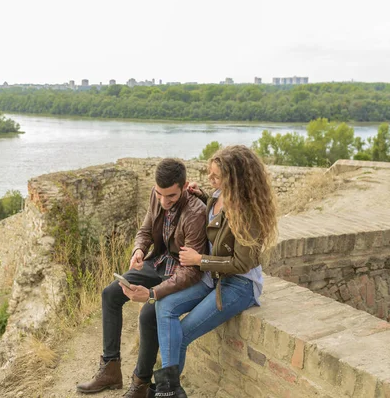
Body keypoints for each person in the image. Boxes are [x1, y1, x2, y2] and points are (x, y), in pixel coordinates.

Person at [153, 145, 279, 397]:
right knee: (163, 305)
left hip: (239, 285)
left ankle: (166, 391)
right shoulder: (219, 195)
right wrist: (201, 196)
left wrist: (200, 260)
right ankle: (171, 390)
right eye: (210, 174)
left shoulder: (247, 211)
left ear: (235, 178)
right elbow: (217, 225)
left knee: (184, 331)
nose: (211, 180)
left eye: (216, 176)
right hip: (213, 278)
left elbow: (242, 264)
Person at [76, 158, 208, 398]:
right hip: (157, 261)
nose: (164, 202)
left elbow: (192, 271)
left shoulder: (196, 211)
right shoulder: (156, 196)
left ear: (184, 186)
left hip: (179, 272)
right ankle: (110, 369)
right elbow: (145, 231)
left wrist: (150, 294)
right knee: (110, 294)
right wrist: (138, 250)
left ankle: (140, 384)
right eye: (160, 195)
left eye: (171, 196)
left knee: (149, 313)